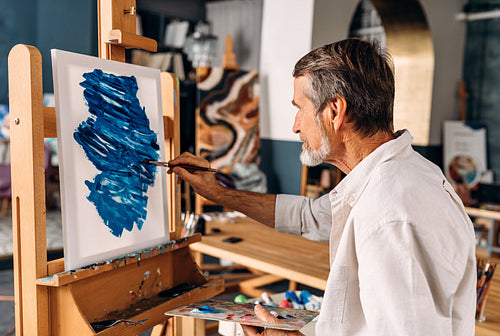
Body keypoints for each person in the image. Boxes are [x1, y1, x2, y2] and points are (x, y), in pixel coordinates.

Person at [168, 38, 476, 335]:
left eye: (300, 108)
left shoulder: (388, 213)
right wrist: (219, 193)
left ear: (335, 111)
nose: (295, 125)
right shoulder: (397, 175)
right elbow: (310, 216)